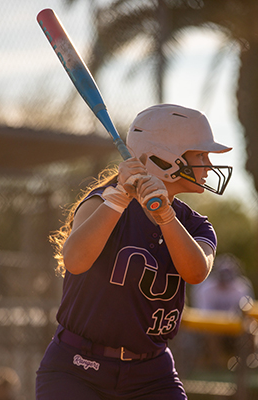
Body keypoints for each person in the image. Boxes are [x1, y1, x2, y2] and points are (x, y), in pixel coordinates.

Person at [36, 104, 233, 399]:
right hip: (78, 369)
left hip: (152, 374)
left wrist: (166, 215)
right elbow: (75, 260)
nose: (208, 165)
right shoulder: (102, 202)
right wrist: (120, 197)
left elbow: (195, 271)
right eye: (200, 155)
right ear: (167, 158)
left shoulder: (195, 226)